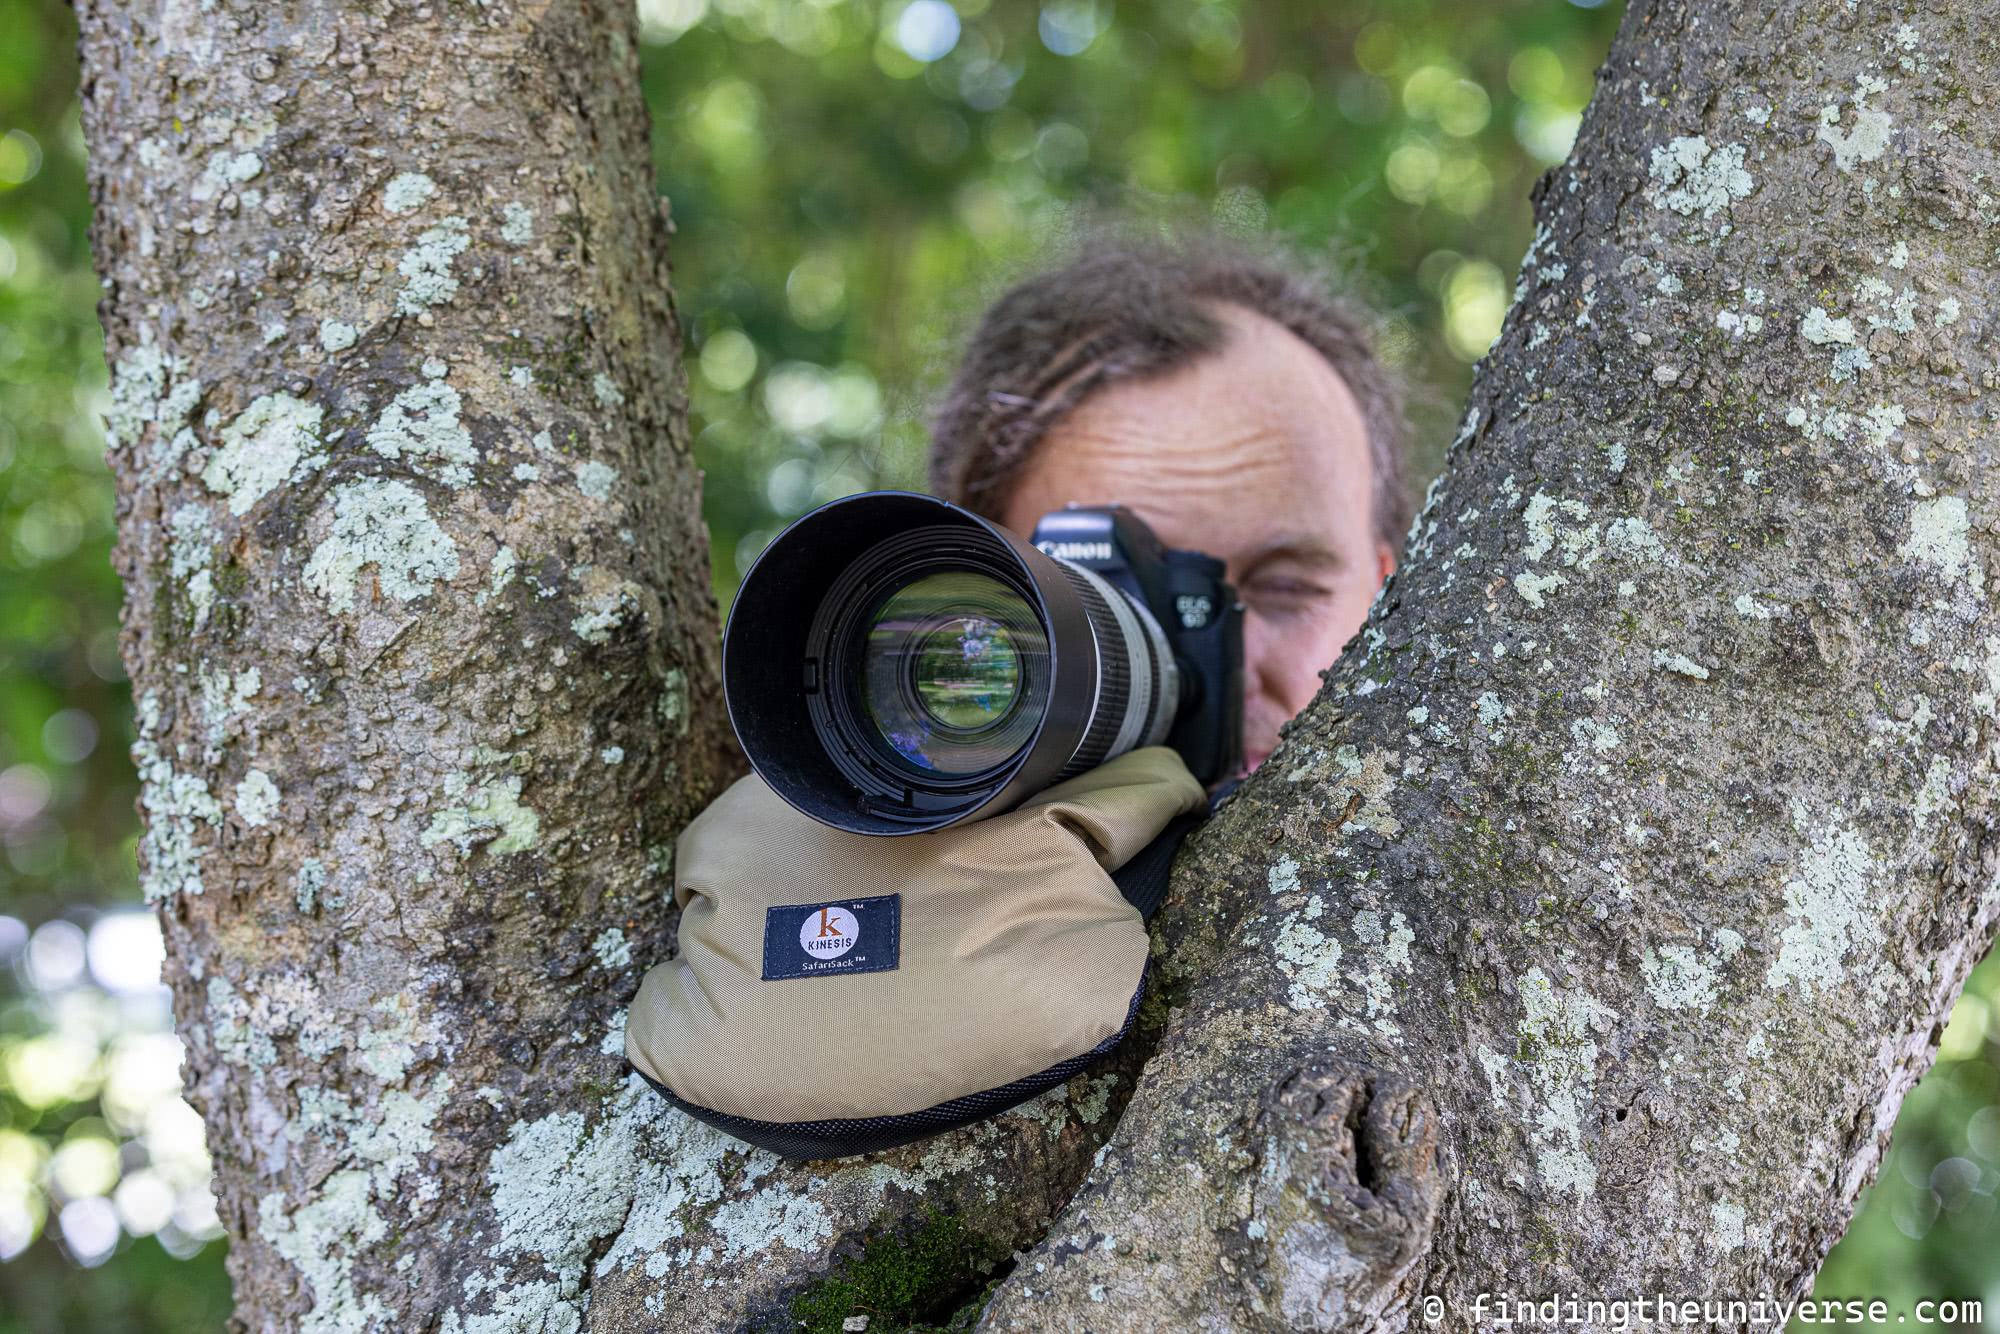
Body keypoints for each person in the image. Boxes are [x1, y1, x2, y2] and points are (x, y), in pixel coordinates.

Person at [927, 227, 1413, 777]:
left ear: (1387, 601)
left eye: (1285, 589)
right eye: (1110, 597)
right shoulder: (854, 861)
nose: (1221, 676)